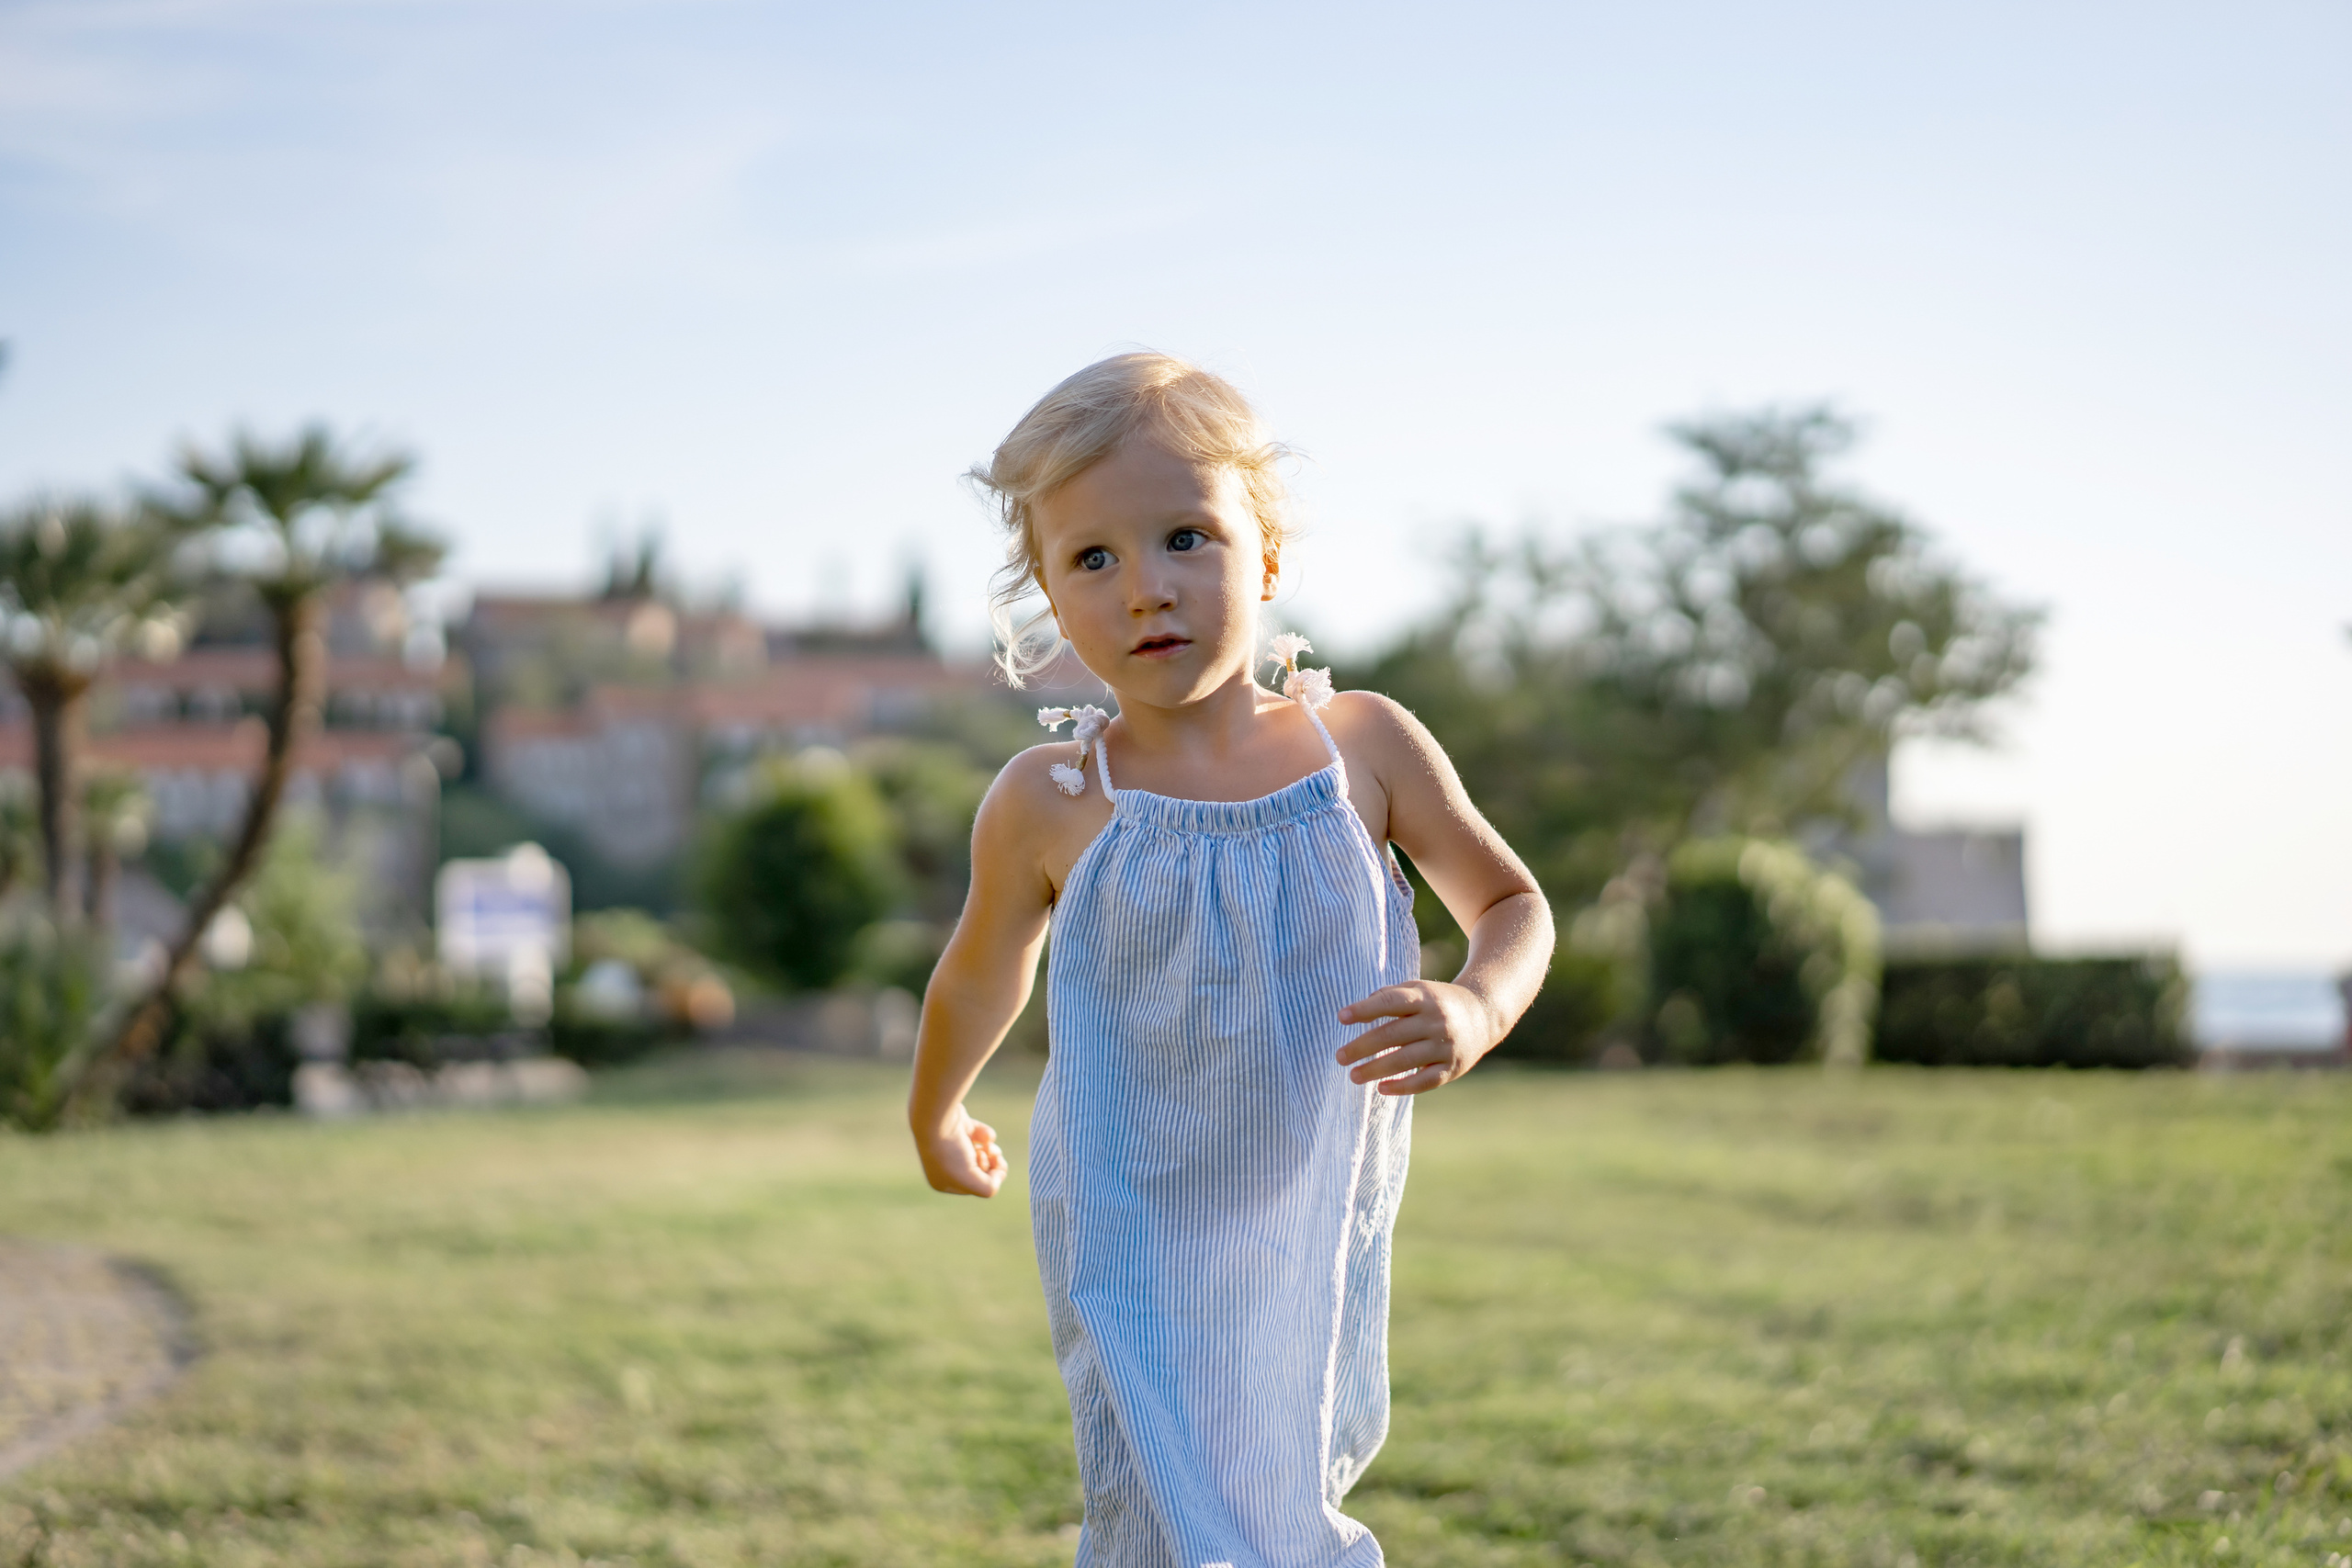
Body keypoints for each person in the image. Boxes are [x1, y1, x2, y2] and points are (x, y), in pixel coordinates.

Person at [908, 352, 1554, 1567]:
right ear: (1049, 599)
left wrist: (1478, 1005)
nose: (1145, 589)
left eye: (1184, 538)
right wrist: (936, 1112)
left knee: (1289, 1494)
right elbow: (982, 968)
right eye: (1091, 560)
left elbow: (1513, 902)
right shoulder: (1052, 799)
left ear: (1264, 556)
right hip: (1126, 1219)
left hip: (1309, 1208)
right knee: (1165, 1513)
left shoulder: (1362, 749)